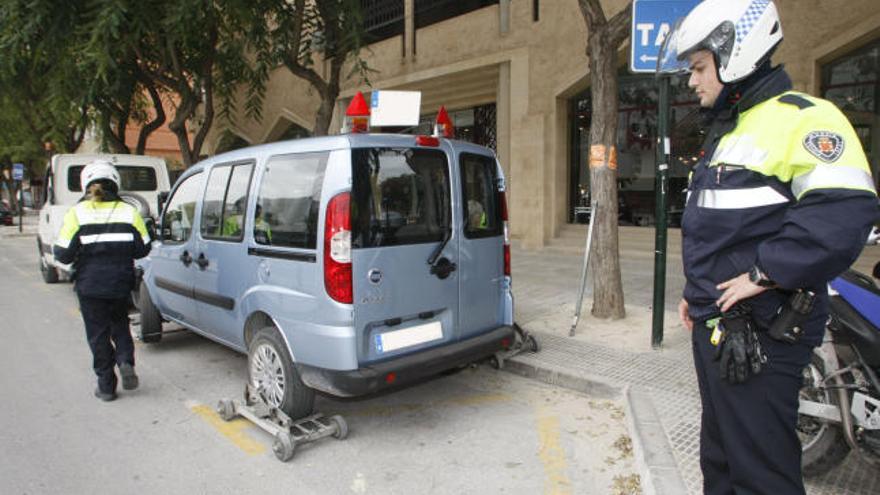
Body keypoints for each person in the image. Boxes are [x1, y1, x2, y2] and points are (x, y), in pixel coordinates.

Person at [660, 1, 878, 493]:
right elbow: (722, 230)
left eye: (697, 67)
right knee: (721, 461)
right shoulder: (730, 130)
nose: (692, 81)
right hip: (719, 326)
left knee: (760, 471)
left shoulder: (804, 118)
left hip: (763, 331)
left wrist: (765, 273)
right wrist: (694, 293)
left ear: (734, 53)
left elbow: (843, 212)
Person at [54, 160, 152, 402]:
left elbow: (62, 254)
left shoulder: (77, 213)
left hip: (90, 286)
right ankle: (126, 361)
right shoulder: (129, 212)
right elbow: (143, 248)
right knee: (120, 325)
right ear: (115, 183)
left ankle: (106, 386)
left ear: (86, 185)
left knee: (97, 334)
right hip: (120, 283)